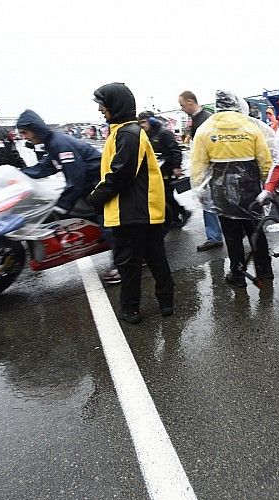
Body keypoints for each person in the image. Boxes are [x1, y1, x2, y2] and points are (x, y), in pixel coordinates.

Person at [88, 83, 174, 324]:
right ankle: (166, 303)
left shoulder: (127, 133)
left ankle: (131, 309)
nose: (100, 110)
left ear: (114, 105)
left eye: (102, 105)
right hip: (143, 209)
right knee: (156, 259)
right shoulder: (126, 131)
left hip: (132, 210)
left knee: (129, 263)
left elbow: (121, 173)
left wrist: (95, 198)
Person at [190, 89, 273, 288]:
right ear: (236, 103)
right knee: (256, 230)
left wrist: (200, 192)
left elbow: (198, 166)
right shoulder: (251, 127)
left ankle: (237, 274)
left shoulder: (205, 129)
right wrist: (267, 187)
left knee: (232, 235)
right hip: (250, 188)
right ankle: (265, 270)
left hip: (221, 191)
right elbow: (265, 161)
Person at [16, 109, 103, 217]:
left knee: (106, 226)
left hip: (99, 186)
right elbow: (45, 168)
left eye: (24, 132)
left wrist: (62, 205)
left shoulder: (60, 144)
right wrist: (18, 173)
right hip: (91, 185)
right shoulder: (52, 143)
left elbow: (76, 178)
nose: (24, 138)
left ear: (35, 129)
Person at [179, 90, 224, 252]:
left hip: (210, 170)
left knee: (209, 203)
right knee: (210, 203)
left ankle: (215, 237)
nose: (182, 108)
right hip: (207, 169)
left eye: (182, 105)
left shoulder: (204, 119)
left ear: (191, 102)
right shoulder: (199, 118)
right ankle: (216, 235)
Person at [138, 111, 190, 229]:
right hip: (158, 170)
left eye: (144, 122)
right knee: (165, 195)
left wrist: (176, 167)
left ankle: (183, 212)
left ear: (152, 120)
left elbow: (176, 150)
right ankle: (175, 218)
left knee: (166, 195)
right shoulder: (149, 134)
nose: (142, 125)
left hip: (167, 169)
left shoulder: (164, 133)